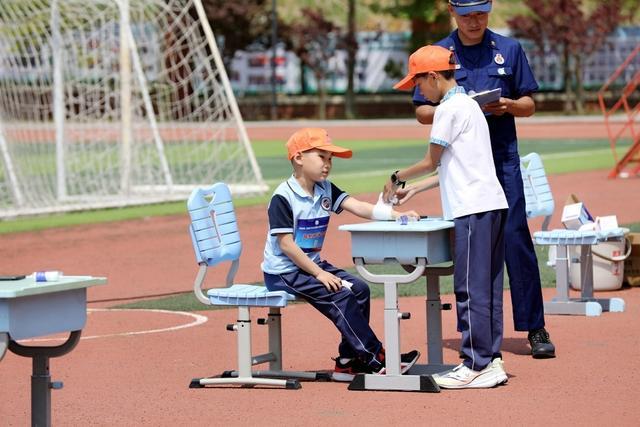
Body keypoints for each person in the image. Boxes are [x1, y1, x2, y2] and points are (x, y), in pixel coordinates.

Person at [412, 0, 555, 359]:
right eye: (466, 15)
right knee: (471, 243)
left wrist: (507, 105)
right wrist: (458, 107)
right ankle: (474, 329)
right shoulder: (439, 53)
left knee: (514, 237)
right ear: (452, 12)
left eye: (481, 14)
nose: (474, 21)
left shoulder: (509, 48)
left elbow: (530, 104)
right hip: (463, 162)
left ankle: (534, 326)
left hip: (502, 158)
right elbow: (421, 110)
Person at [384, 44, 509, 389]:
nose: (418, 91)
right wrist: (415, 189)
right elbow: (452, 167)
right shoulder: (470, 105)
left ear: (434, 76)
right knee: (488, 287)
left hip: (472, 209)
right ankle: (490, 360)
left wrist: (397, 177)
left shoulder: (447, 109)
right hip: (491, 205)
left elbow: (430, 159)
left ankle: (475, 364)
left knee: (469, 287)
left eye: (419, 83)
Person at [261, 127, 420, 382]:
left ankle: (348, 360)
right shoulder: (283, 197)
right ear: (299, 158)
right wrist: (320, 273)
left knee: (359, 289)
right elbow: (287, 245)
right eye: (322, 157)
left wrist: (397, 215)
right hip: (284, 272)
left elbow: (358, 206)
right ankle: (376, 358)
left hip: (310, 265)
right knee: (340, 295)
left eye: (330, 159)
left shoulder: (324, 188)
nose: (328, 164)